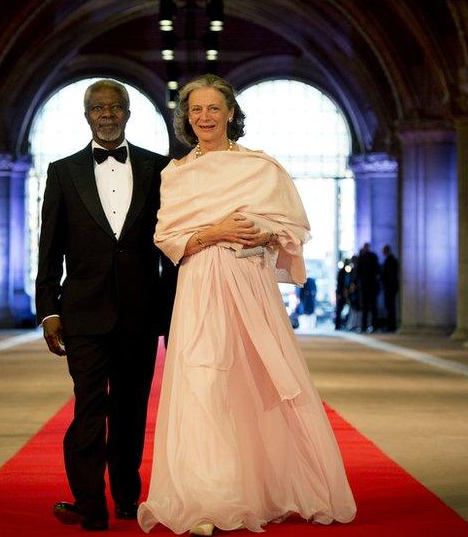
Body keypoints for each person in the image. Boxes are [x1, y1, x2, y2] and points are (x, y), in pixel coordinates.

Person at [138, 74, 356, 536]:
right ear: (186, 117)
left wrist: (265, 233)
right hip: (198, 285)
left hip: (250, 284)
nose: (204, 117)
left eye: (214, 108)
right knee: (203, 381)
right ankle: (205, 497)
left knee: (255, 382)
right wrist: (214, 232)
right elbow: (166, 237)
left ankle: (263, 488)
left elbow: (293, 229)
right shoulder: (176, 174)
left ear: (231, 113)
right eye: (196, 110)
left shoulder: (262, 167)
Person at [35, 79, 174, 532]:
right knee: (89, 407)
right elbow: (49, 247)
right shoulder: (62, 171)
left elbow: (168, 246)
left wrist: (175, 311)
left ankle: (128, 497)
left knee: (132, 410)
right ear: (87, 115)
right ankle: (89, 503)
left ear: (128, 114)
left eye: (116, 107)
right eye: (99, 107)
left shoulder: (159, 168)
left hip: (139, 313)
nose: (107, 114)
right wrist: (48, 308)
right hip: (83, 314)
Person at [356, 242, 380, 332]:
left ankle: (366, 326)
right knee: (370, 307)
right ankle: (370, 326)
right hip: (369, 286)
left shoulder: (362, 257)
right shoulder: (371, 257)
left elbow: (358, 272)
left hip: (367, 286)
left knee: (368, 307)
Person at [381, 244, 399, 332]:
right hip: (389, 287)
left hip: (390, 287)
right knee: (389, 306)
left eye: (383, 251)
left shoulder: (391, 260)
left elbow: (390, 275)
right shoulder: (389, 260)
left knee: (390, 307)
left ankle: (391, 326)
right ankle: (390, 325)